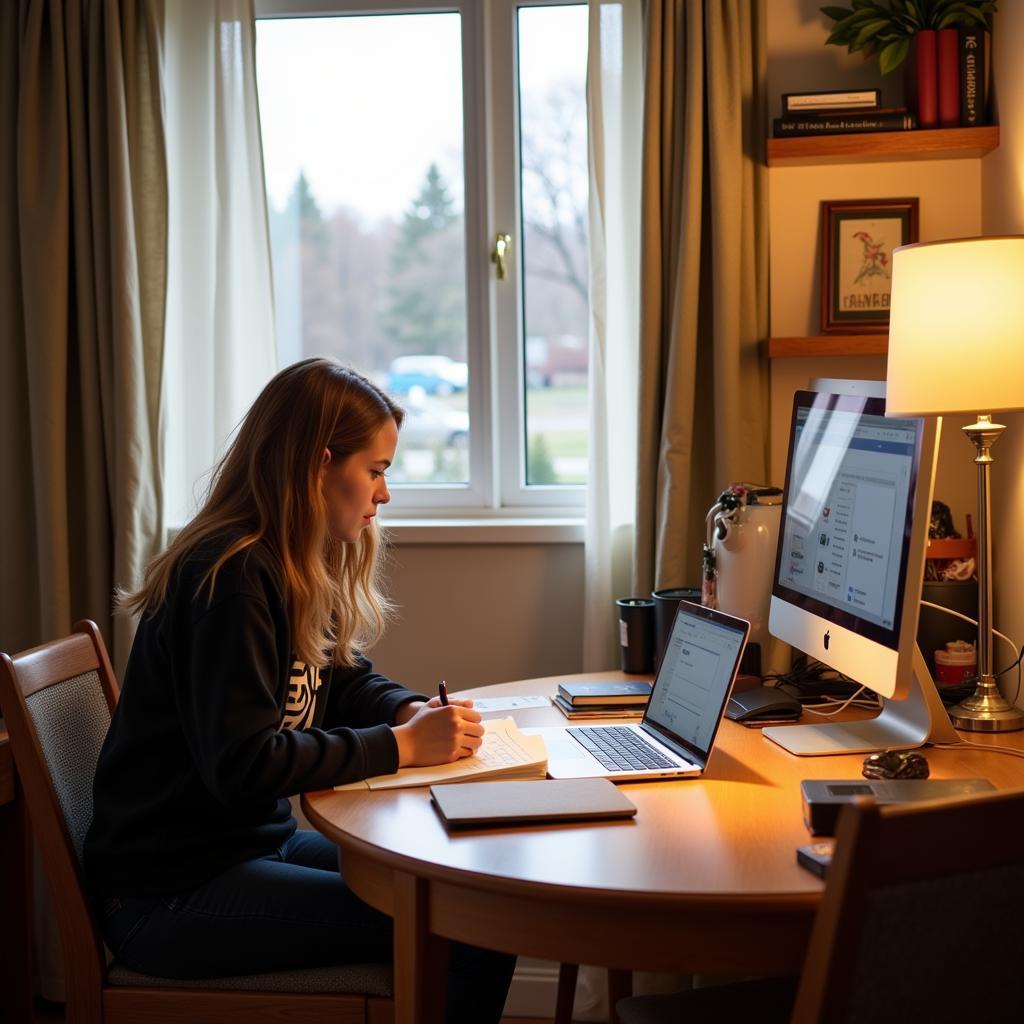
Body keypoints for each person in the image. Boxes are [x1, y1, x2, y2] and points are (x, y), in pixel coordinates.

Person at [84, 358, 516, 1021]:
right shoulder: (229, 577)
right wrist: (401, 747)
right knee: (469, 927)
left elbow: (341, 677)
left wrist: (406, 709)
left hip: (251, 844)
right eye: (375, 471)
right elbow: (243, 766)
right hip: (169, 892)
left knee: (473, 901)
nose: (383, 494)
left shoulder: (287, 561)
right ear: (320, 463)